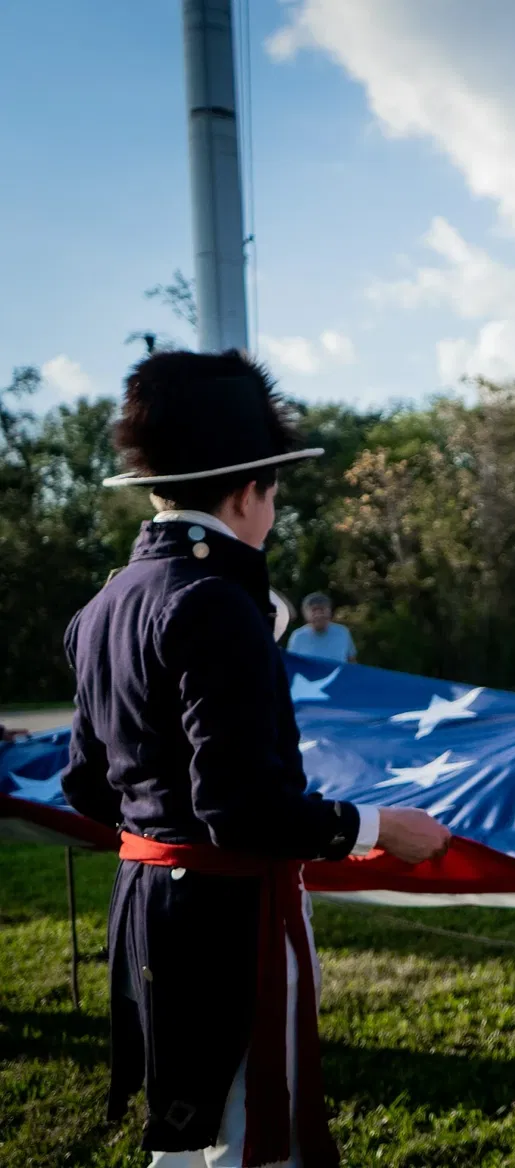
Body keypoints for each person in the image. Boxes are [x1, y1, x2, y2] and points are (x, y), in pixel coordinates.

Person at [61, 351, 451, 1168]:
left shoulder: (102, 604)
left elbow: (88, 786)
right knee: (241, 1135)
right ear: (249, 493)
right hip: (226, 911)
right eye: (273, 495)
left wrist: (159, 831)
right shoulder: (214, 604)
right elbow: (242, 808)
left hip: (148, 902)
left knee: (185, 1132)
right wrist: (379, 826)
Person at [287, 592, 356, 663]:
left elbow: (352, 662)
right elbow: (291, 664)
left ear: (329, 612)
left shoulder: (343, 632)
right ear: (306, 615)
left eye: (322, 610)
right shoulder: (298, 636)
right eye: (314, 610)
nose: (318, 615)